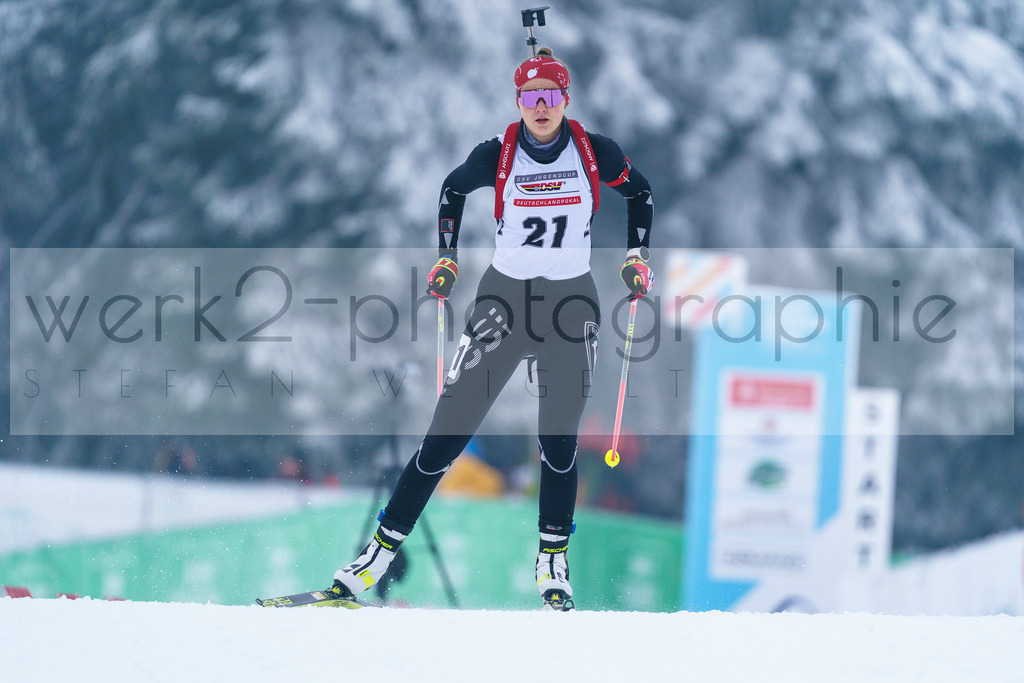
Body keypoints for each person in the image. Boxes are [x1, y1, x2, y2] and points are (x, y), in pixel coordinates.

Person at [325, 47, 654, 609]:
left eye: (551, 96)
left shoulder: (595, 153)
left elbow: (640, 193)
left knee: (558, 439)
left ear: (565, 100)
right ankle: (376, 556)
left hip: (571, 302)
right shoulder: (496, 154)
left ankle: (553, 561)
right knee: (445, 436)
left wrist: (637, 256)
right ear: (519, 103)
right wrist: (447, 256)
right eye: (531, 98)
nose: (541, 107)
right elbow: (451, 191)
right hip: (504, 299)